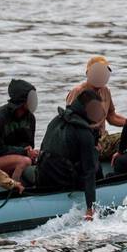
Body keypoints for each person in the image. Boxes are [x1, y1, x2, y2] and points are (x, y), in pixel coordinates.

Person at [32, 88, 107, 220]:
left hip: (43, 177)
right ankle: (103, 183)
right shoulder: (83, 132)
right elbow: (89, 172)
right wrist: (90, 208)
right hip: (63, 181)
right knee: (93, 154)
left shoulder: (57, 119)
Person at [65, 55, 127, 162]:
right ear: (88, 73)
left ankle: (123, 166)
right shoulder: (78, 92)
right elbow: (68, 121)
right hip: (85, 141)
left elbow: (111, 116)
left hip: (103, 138)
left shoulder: (105, 91)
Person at [0, 79, 38, 182]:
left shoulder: (30, 118)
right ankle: (15, 188)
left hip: (13, 156)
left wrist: (31, 152)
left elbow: (29, 145)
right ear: (22, 100)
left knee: (41, 155)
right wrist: (23, 152)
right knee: (25, 161)